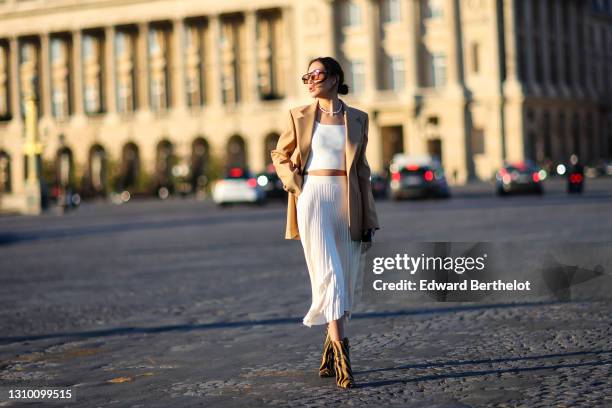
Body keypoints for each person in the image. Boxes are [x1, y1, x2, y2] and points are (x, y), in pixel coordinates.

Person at [271, 56, 380, 389]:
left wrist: (370, 217)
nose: (311, 80)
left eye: (317, 74)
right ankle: (345, 359)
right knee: (329, 275)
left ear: (335, 78)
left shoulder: (358, 119)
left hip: (347, 200)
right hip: (313, 198)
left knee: (344, 281)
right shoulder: (299, 116)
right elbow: (280, 155)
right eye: (307, 76)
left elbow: (362, 171)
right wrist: (296, 183)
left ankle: (328, 353)